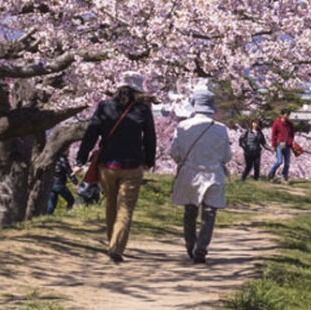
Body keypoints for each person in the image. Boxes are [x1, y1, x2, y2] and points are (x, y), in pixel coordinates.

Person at [75, 75, 156, 263]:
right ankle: (116, 248)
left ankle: (112, 243)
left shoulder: (104, 106)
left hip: (107, 165)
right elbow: (150, 137)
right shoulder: (142, 109)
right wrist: (149, 160)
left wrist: (81, 158)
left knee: (111, 204)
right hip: (132, 165)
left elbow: (91, 133)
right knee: (125, 208)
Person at [169, 93, 233, 263]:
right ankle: (201, 249)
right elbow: (227, 156)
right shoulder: (220, 128)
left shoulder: (183, 126)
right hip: (213, 174)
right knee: (209, 213)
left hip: (190, 173)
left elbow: (174, 153)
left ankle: (191, 245)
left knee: (190, 211)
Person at [269, 114, 296, 183]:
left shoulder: (290, 124)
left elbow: (292, 134)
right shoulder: (276, 123)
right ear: (282, 115)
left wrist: (290, 142)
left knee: (287, 163)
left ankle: (284, 177)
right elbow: (273, 135)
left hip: (288, 145)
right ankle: (271, 173)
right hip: (279, 145)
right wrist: (273, 145)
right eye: (286, 114)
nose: (288, 116)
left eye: (288, 115)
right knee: (279, 161)